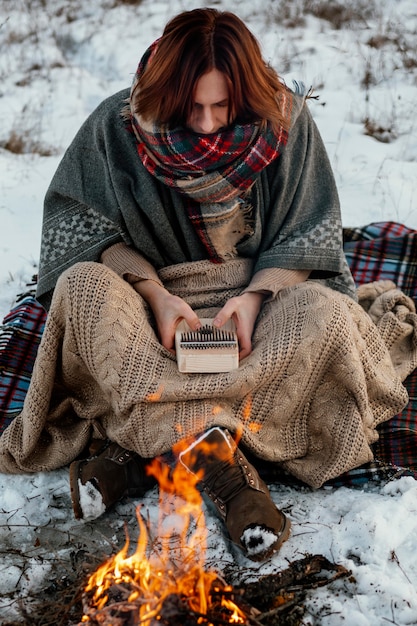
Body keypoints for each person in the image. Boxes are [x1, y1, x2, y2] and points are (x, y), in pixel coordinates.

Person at [0, 8, 416, 562]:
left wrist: (254, 297)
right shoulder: (118, 125)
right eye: (190, 106)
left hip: (257, 310)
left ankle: (136, 447)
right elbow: (83, 229)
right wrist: (155, 294)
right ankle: (226, 472)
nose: (206, 123)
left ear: (246, 94)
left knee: (328, 314)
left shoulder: (285, 123)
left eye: (222, 105)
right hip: (152, 313)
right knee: (81, 288)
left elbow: (308, 236)